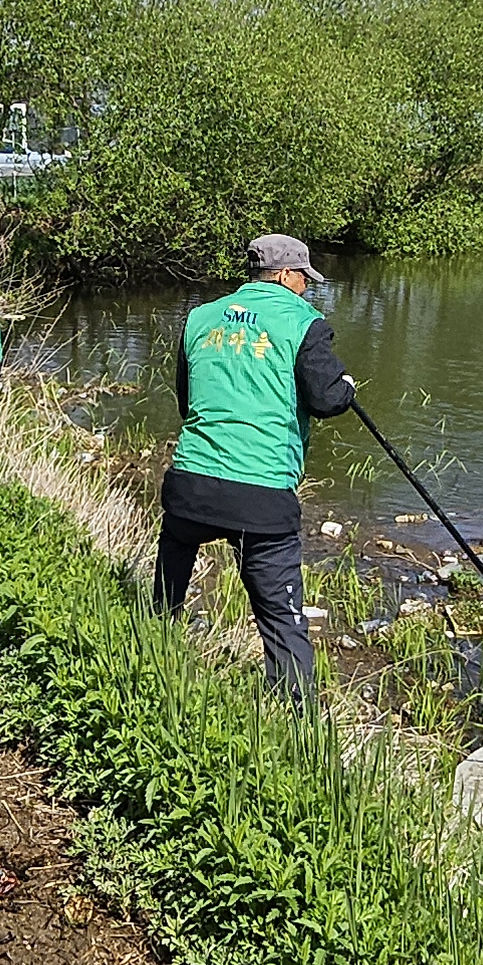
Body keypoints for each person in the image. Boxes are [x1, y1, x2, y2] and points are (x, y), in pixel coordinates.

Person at [154, 234, 355, 699]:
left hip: (191, 484)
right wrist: (346, 387)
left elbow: (186, 402)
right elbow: (326, 399)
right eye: (304, 277)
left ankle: (154, 651)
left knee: (168, 585)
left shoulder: (199, 317)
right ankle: (297, 721)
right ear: (285, 275)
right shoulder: (304, 323)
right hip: (261, 494)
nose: (307, 287)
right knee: (283, 619)